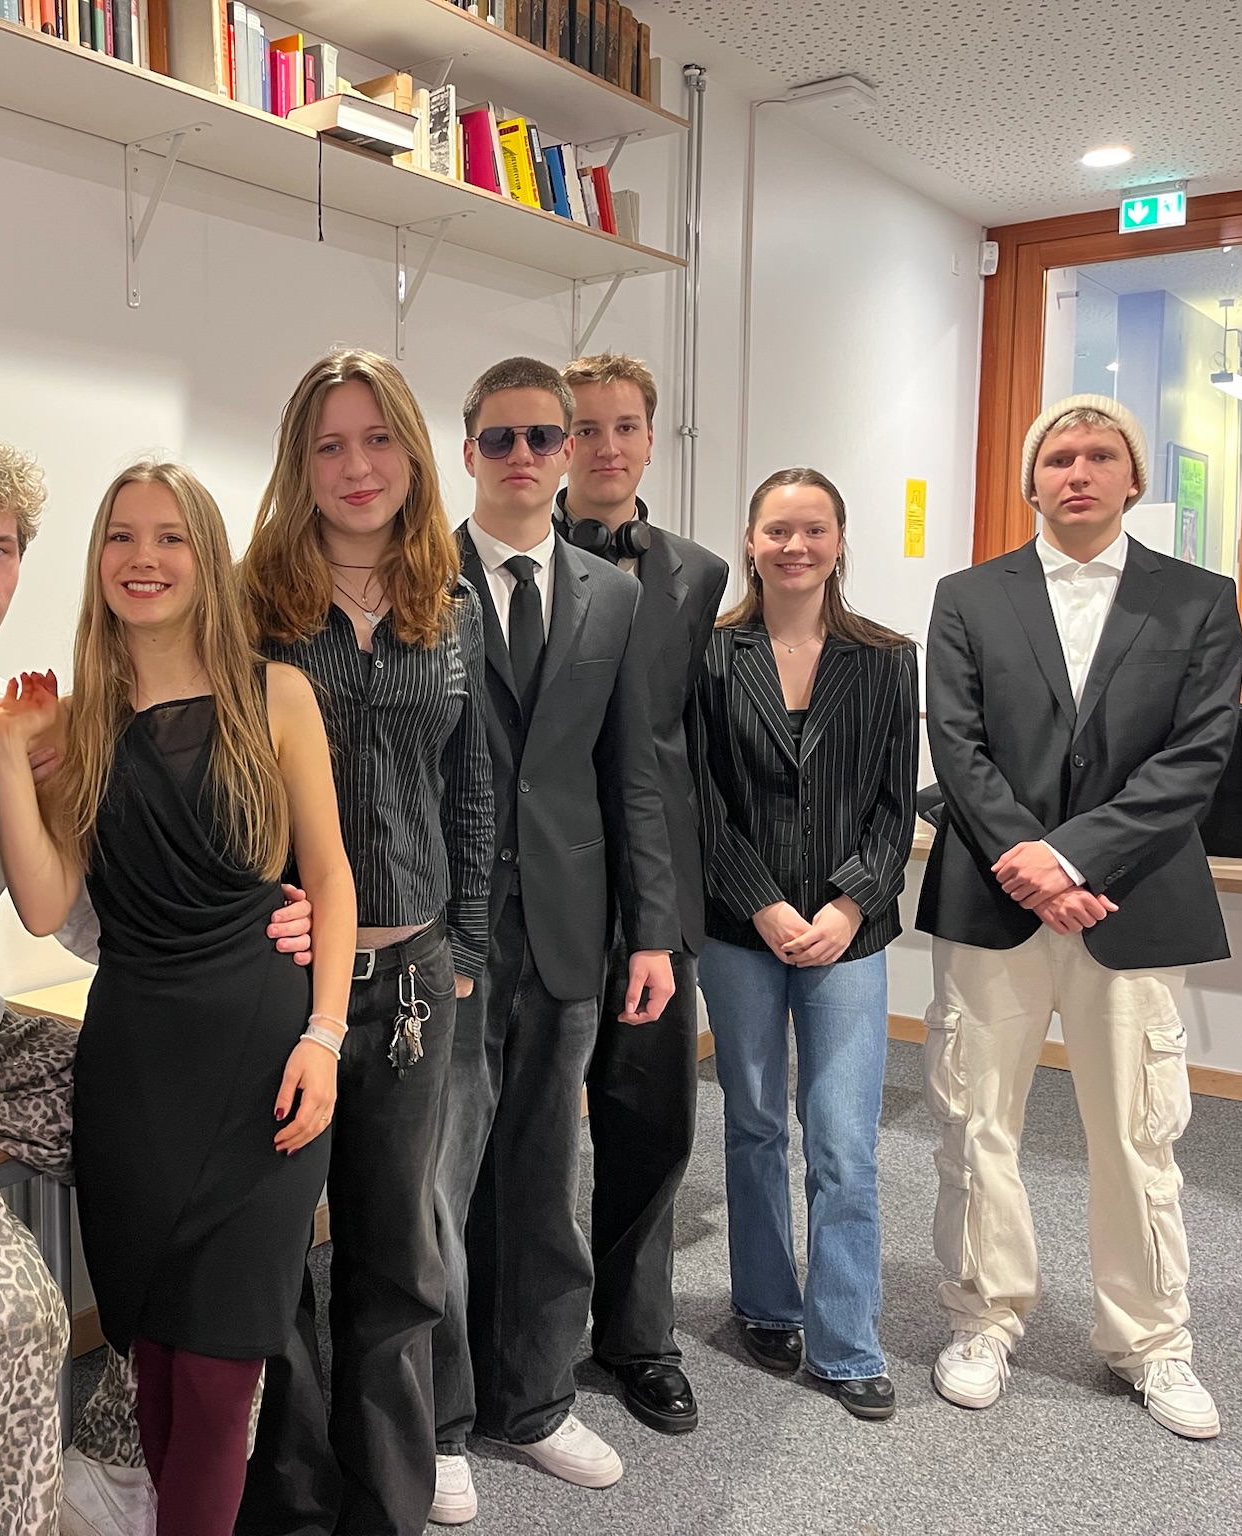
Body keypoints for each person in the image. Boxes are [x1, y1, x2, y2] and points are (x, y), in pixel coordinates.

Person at [0, 429, 318, 1536]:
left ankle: (118, 1465)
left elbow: (85, 914)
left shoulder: (44, 729)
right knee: (18, 1307)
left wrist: (264, 917)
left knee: (216, 1188)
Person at [0, 462, 358, 1536]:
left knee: (220, 1376)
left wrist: (326, 1037)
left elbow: (330, 877)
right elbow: (44, 902)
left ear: (207, 557)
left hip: (260, 1059)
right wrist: (10, 755)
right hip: (134, 1066)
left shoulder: (274, 695)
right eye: (121, 537)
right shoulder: (80, 723)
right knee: (150, 1358)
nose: (141, 560)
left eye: (168, 538)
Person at [918, 395, 1242, 1440]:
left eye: (1100, 455)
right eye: (1057, 457)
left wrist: (1069, 860)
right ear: (1032, 480)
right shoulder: (968, 596)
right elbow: (957, 743)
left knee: (1140, 1132)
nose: (1078, 472)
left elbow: (1196, 756)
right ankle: (983, 1319)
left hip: (1131, 897)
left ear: (1132, 479)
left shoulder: (1198, 600)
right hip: (993, 898)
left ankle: (1150, 1339)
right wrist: (1030, 862)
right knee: (976, 1123)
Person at [235, 349, 492, 1536]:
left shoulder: (451, 602)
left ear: (412, 455)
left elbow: (471, 783)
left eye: (377, 439)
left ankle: (386, 1502)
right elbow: (219, 784)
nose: (355, 466)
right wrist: (254, 906)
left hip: (415, 978)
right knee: (277, 1253)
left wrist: (463, 945)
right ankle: (290, 1503)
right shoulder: (253, 606)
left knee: (397, 1255)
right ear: (299, 464)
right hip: (289, 979)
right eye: (328, 444)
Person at [431, 357, 680, 1524]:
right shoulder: (415, 578)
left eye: (544, 436)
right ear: (467, 451)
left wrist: (652, 932)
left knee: (541, 1176)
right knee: (435, 1184)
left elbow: (633, 773)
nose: (524, 456)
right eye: (501, 438)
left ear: (571, 450)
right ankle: (436, 1418)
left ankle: (529, 1402)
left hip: (569, 931)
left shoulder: (612, 598)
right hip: (445, 934)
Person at [692, 467, 918, 1421]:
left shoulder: (886, 658)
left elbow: (896, 805)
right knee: (753, 1124)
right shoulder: (709, 655)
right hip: (739, 929)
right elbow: (698, 800)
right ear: (750, 542)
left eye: (814, 529)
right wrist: (763, 905)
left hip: (848, 935)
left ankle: (846, 1340)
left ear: (839, 541)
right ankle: (764, 1303)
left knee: (842, 1142)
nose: (796, 546)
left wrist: (849, 905)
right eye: (778, 530)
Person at [554, 353, 729, 1436]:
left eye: (624, 426)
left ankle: (635, 1338)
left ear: (651, 439)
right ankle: (516, 1339)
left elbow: (685, 753)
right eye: (584, 427)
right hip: (542, 883)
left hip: (652, 896)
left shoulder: (699, 576)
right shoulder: (500, 559)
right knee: (521, 1134)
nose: (605, 446)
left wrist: (670, 914)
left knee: (649, 1122)